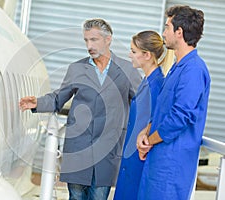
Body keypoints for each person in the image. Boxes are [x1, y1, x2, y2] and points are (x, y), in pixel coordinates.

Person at [19, 18, 141, 200]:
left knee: (99, 197)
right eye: (86, 40)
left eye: (94, 40)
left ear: (108, 40)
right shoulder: (76, 69)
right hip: (79, 147)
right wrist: (37, 103)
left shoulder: (127, 70)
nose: (89, 45)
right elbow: (58, 98)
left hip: (108, 149)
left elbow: (143, 104)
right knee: (75, 197)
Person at [136, 5, 211, 200]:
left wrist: (149, 141)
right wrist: (146, 132)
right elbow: (162, 110)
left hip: (172, 166)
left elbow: (180, 117)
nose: (163, 33)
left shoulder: (193, 70)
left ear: (179, 32)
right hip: (158, 161)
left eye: (167, 27)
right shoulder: (177, 68)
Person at [113, 31, 174, 200]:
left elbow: (154, 123)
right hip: (131, 158)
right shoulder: (147, 82)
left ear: (146, 55)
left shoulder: (156, 85)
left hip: (139, 159)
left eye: (133, 51)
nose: (129, 55)